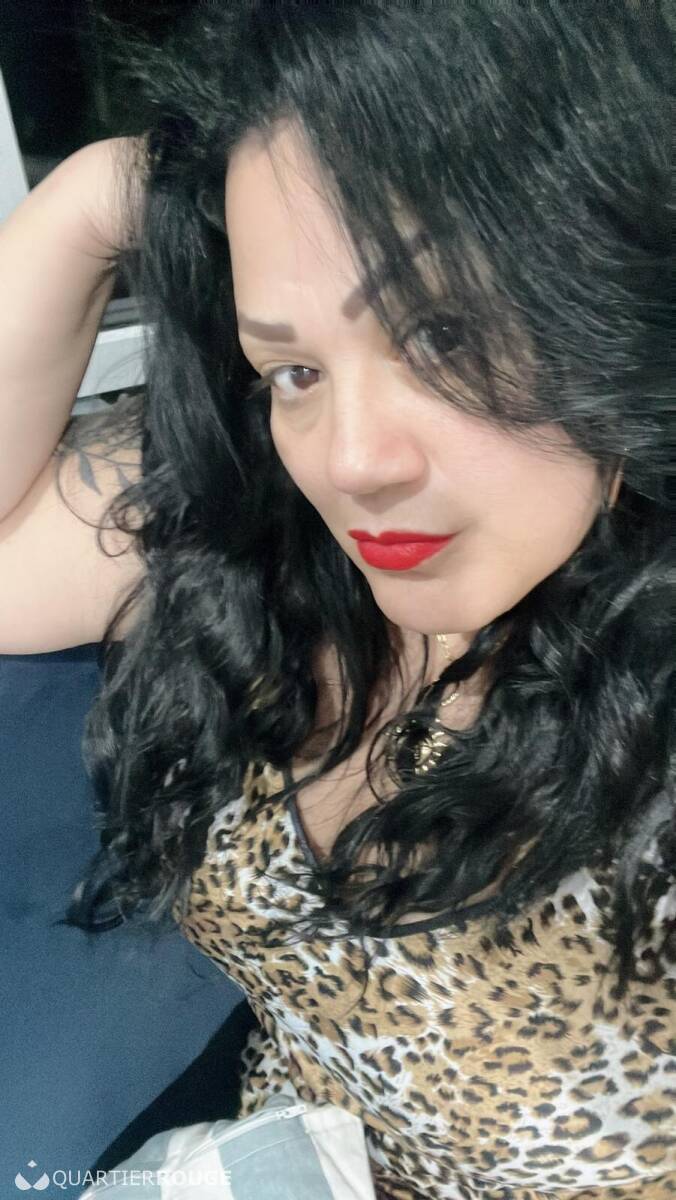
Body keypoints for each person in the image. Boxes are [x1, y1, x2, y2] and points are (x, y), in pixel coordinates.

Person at [0, 3, 673, 1198]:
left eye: (448, 338)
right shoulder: (268, 546)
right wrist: (108, 192)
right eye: (295, 369)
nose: (351, 461)